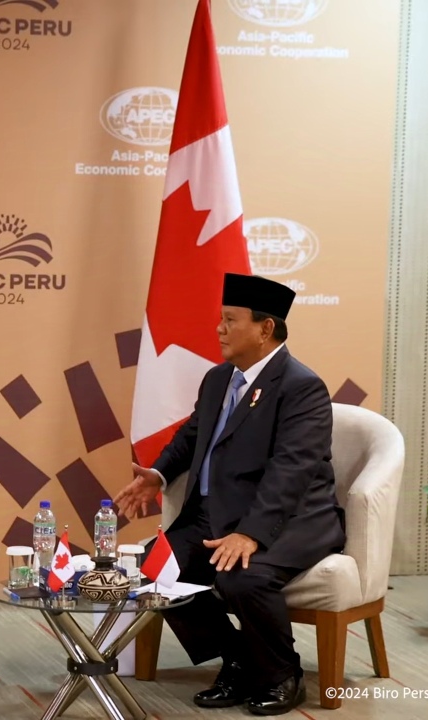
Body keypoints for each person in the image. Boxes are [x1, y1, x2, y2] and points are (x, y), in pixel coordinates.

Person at [115, 272, 344, 716]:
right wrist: (158, 475)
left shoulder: (301, 387)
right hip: (216, 515)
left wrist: (252, 534)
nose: (218, 329)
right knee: (153, 570)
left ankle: (282, 673)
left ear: (265, 328)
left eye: (229, 320)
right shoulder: (219, 379)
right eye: (219, 319)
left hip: (291, 519)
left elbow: (291, 471)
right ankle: (238, 660)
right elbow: (193, 434)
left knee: (243, 576)